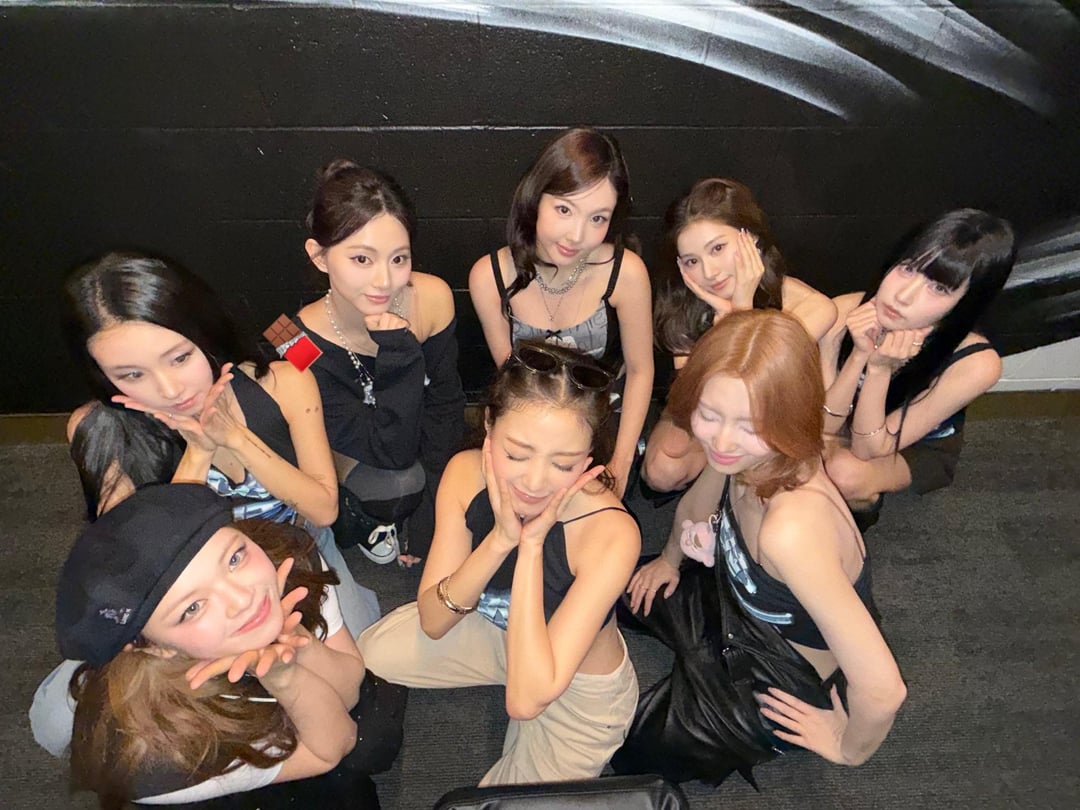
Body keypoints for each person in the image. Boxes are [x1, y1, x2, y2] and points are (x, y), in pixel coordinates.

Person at [615, 310, 905, 784]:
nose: (722, 441)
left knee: (632, 755)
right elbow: (698, 504)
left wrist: (848, 747)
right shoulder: (740, 454)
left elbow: (884, 689)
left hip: (779, 670)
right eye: (709, 415)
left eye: (749, 425)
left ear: (790, 419)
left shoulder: (790, 531)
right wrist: (668, 561)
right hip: (734, 599)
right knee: (612, 589)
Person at [357, 340, 640, 784]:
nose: (535, 482)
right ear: (489, 423)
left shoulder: (611, 533)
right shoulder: (466, 472)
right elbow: (433, 620)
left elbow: (526, 700)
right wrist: (499, 540)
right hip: (497, 632)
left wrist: (531, 545)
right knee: (374, 651)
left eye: (564, 464)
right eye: (516, 454)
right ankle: (507, 662)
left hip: (573, 685)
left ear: (589, 457)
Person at [58, 250, 377, 635]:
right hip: (193, 587)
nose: (170, 390)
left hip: (292, 546)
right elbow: (148, 569)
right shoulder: (100, 429)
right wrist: (199, 451)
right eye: (132, 375)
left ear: (204, 334)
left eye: (179, 358)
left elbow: (323, 510)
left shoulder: (282, 383)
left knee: (356, 651)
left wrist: (236, 438)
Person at [53, 484, 404, 807]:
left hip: (296, 727)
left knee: (372, 737)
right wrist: (286, 679)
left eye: (234, 558)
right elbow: (330, 749)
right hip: (214, 770)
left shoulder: (285, 557)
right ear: (155, 647)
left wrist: (295, 653)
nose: (243, 600)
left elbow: (350, 696)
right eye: (192, 608)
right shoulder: (155, 756)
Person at [468, 127, 653, 498]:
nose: (576, 235)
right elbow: (512, 379)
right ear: (536, 198)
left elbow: (640, 371)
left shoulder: (624, 272)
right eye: (565, 210)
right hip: (532, 415)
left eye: (598, 218)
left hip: (600, 412)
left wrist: (620, 464)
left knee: (593, 510)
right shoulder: (489, 277)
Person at [297, 160, 465, 567]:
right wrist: (399, 350)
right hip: (354, 450)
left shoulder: (433, 296)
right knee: (398, 485)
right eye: (362, 259)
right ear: (319, 256)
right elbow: (389, 452)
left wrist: (437, 517)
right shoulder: (292, 341)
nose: (384, 282)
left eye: (398, 258)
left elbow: (445, 406)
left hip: (402, 428)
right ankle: (365, 519)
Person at [819, 209, 1017, 529]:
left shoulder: (976, 362)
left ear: (965, 301)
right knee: (797, 447)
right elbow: (826, 425)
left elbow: (869, 450)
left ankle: (858, 519)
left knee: (846, 472)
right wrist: (857, 355)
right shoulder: (845, 311)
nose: (903, 296)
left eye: (939, 288)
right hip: (845, 423)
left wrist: (880, 370)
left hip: (917, 444)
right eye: (908, 268)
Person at [644, 178, 837, 493]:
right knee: (663, 470)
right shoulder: (681, 305)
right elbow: (690, 400)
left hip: (762, 423)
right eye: (692, 261)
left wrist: (741, 310)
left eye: (718, 248)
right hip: (704, 416)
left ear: (752, 238)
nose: (709, 272)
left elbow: (751, 377)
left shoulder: (803, 301)